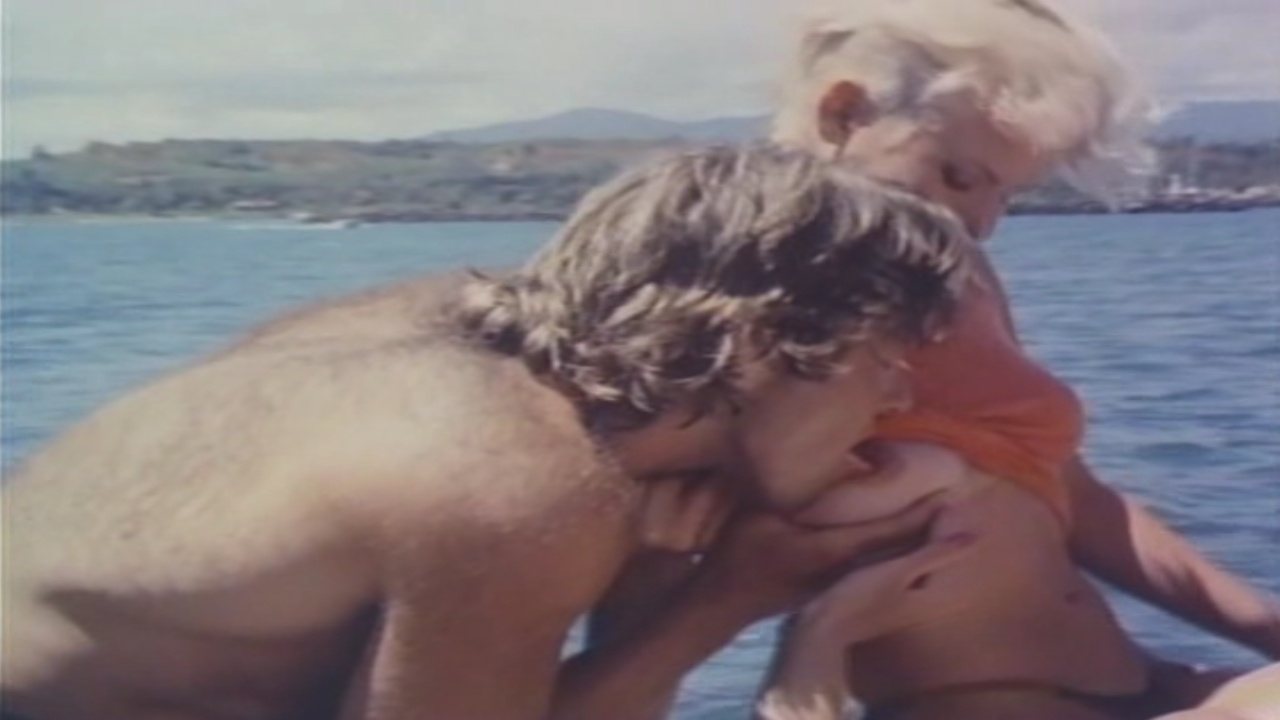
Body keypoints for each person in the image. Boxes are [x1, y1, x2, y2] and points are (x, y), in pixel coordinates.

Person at [0, 146, 974, 720]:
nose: (897, 397)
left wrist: (649, 571)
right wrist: (724, 601)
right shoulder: (507, 480)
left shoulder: (444, 335)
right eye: (885, 353)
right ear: (760, 339)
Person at [555, 2, 1277, 719]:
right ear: (844, 112)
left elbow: (1075, 497)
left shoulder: (954, 272)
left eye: (1007, 191)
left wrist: (1266, 629)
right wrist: (784, 647)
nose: (983, 221)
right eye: (959, 175)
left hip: (1140, 680)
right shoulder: (739, 292)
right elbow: (646, 563)